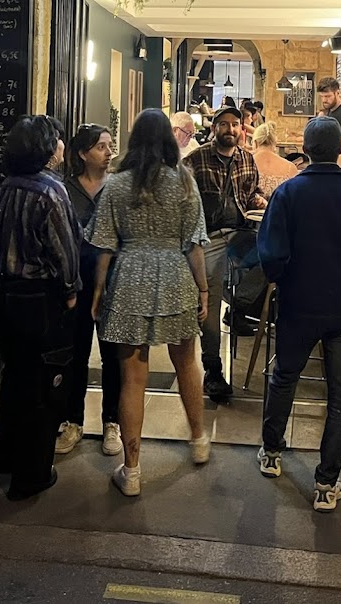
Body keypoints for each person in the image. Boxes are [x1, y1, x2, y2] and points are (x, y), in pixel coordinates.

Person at [256, 117, 341, 512]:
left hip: (299, 304)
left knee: (284, 377)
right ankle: (327, 484)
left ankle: (272, 453)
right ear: (340, 149)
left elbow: (271, 253)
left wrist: (284, 281)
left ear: (306, 150)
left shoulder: (290, 193)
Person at [88, 108, 211, 497]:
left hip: (129, 280)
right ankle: (198, 439)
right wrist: (204, 291)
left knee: (132, 378)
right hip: (176, 276)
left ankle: (134, 469)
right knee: (186, 361)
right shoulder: (185, 183)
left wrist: (97, 291)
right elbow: (194, 245)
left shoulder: (116, 185)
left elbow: (105, 246)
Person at [0, 115, 81, 501]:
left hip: (2, 294)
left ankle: (3, 457)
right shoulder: (50, 191)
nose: (61, 145)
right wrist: (72, 291)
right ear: (45, 148)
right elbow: (64, 249)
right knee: (45, 386)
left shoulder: (5, 187)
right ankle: (32, 475)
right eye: (57, 139)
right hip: (40, 300)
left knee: (15, 376)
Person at [187, 104, 265, 401]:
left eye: (235, 124)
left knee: (276, 255)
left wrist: (260, 202)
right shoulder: (196, 160)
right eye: (224, 124)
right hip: (210, 237)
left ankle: (241, 303)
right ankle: (213, 370)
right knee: (208, 302)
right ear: (214, 128)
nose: (231, 129)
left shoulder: (247, 158)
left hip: (243, 232)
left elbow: (252, 191)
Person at [56, 123, 122, 457]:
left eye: (110, 146)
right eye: (101, 147)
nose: (109, 152)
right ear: (83, 154)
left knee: (112, 356)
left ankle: (112, 421)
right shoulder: (66, 189)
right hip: (77, 282)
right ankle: (73, 420)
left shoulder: (117, 187)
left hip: (113, 281)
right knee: (77, 353)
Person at [250, 122, 297, 200]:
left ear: (255, 143)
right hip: (281, 211)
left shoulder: (245, 165)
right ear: (275, 143)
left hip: (250, 211)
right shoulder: (290, 168)